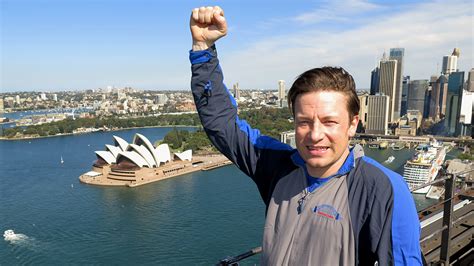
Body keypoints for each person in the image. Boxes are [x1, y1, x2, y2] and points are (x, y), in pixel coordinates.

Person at [189, 6, 422, 265]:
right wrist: (203, 50)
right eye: (304, 122)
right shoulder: (277, 166)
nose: (315, 134)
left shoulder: (381, 188)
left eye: (329, 121)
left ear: (353, 124)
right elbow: (223, 126)